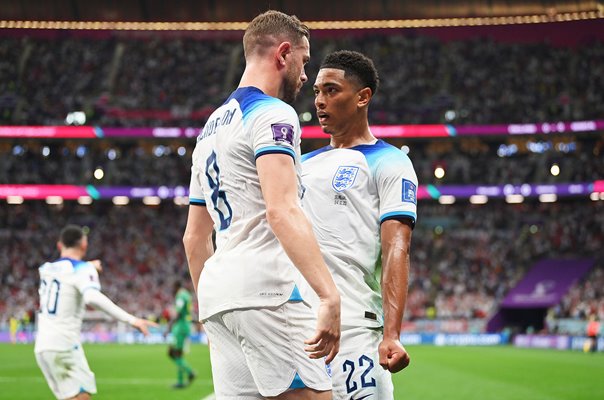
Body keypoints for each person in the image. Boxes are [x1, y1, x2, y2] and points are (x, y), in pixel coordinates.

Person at [183, 9, 341, 399]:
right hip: (269, 292)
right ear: (283, 54)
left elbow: (194, 237)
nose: (306, 76)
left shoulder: (209, 130)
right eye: (304, 62)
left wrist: (215, 306)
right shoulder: (272, 113)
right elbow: (282, 209)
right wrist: (328, 294)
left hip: (220, 296)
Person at [301, 50, 417, 399]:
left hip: (354, 328)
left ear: (363, 97)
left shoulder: (390, 162)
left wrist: (392, 334)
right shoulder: (300, 164)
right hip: (298, 329)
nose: (320, 100)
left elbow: (398, 246)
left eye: (332, 91)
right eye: (317, 91)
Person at [34, 225, 157, 400]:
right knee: (83, 395)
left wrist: (88, 266)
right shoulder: (83, 270)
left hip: (42, 347)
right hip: (65, 346)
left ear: (59, 245)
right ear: (84, 245)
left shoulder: (45, 269)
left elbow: (64, 270)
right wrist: (132, 320)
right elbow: (91, 297)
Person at [166, 280, 196, 388]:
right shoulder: (186, 295)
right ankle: (180, 381)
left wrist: (168, 327)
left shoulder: (180, 295)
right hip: (184, 326)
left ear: (176, 286)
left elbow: (178, 313)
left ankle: (190, 372)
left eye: (172, 288)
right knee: (178, 354)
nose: (172, 290)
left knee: (172, 353)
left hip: (180, 327)